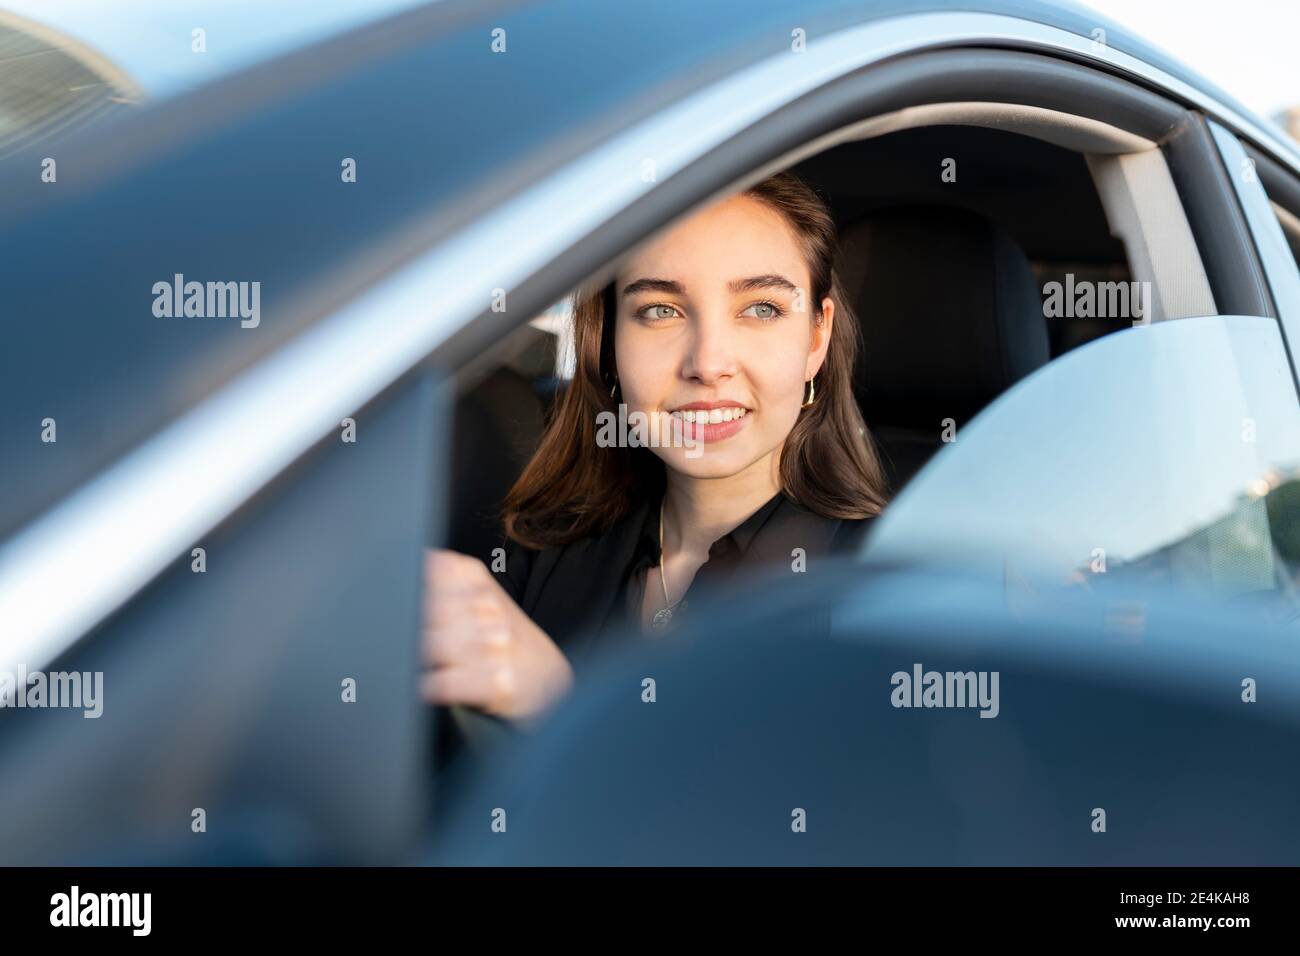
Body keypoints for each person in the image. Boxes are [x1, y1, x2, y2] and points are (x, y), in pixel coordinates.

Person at [421, 171, 889, 725]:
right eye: (660, 310)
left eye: (760, 308)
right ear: (609, 345)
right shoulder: (542, 549)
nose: (708, 364)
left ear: (816, 339)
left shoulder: (883, 594)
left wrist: (558, 703)